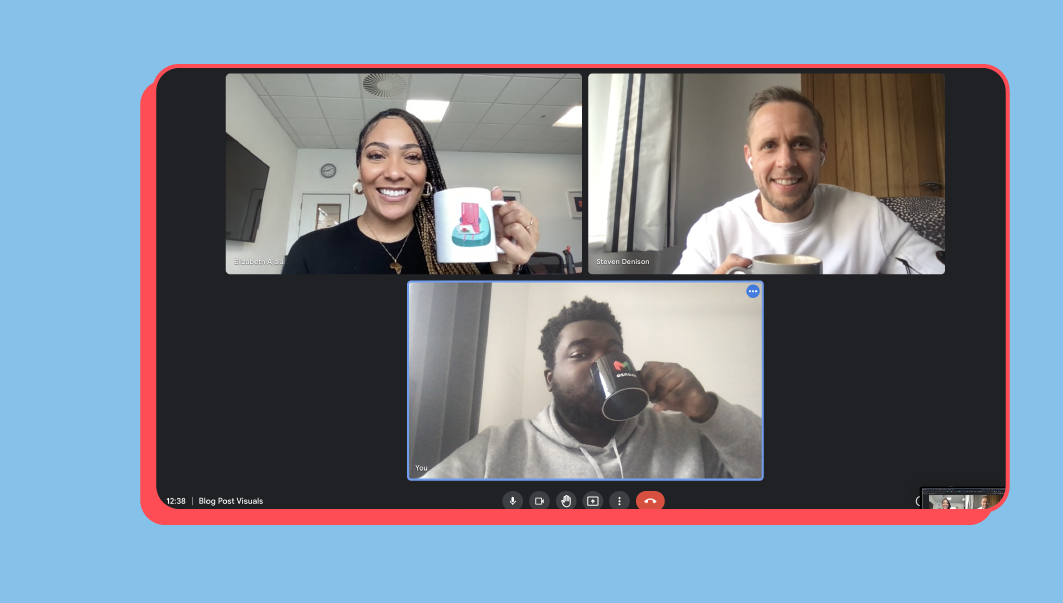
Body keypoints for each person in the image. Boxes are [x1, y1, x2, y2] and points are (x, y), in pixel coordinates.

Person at [422, 297, 762, 478]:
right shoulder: (498, 449)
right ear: (550, 378)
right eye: (580, 354)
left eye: (614, 352)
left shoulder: (685, 435)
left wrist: (707, 411)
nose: (604, 362)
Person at [673, 86, 944, 274]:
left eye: (801, 144)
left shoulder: (870, 217)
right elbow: (677, 315)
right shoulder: (713, 230)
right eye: (768, 145)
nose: (786, 161)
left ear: (822, 152)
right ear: (750, 158)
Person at [282, 109, 540, 274]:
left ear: (426, 173)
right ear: (359, 169)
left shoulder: (469, 250)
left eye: (412, 157)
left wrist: (505, 266)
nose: (394, 172)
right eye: (376, 155)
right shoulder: (310, 251)